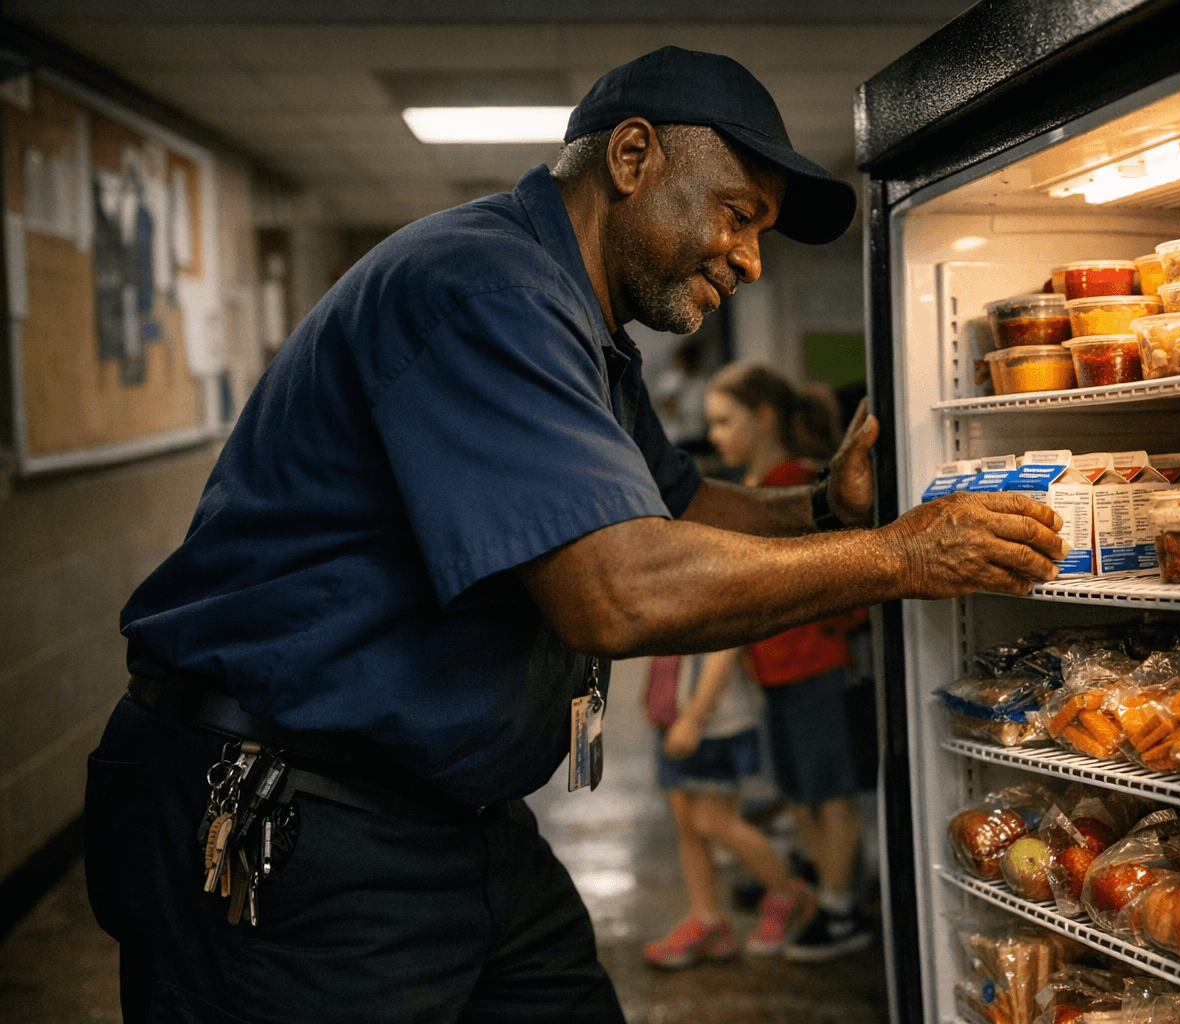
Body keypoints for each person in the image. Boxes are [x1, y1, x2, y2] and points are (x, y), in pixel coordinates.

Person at [86, 45, 1070, 1024]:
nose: (750, 259)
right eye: (737, 214)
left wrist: (828, 508)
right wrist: (900, 555)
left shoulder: (580, 326)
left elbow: (674, 505)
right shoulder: (486, 291)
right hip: (297, 820)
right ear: (633, 159)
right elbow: (618, 590)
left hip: (449, 818)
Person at [702, 363, 874, 961]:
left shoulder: (799, 487)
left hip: (815, 664)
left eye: (726, 420)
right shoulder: (749, 489)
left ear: (765, 416)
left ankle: (840, 909)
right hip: (774, 669)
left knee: (828, 793)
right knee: (798, 793)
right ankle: (829, 897)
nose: (717, 435)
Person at [640, 647, 815, 968]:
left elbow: (723, 648)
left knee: (712, 820)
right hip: (674, 716)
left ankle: (788, 894)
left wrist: (694, 718)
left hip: (714, 722)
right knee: (687, 824)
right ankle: (706, 920)